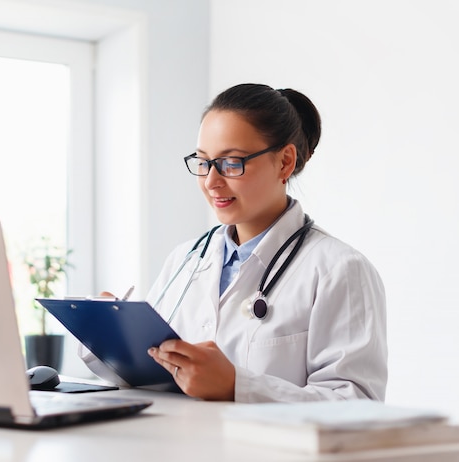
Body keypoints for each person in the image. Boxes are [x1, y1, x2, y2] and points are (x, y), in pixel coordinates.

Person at [79, 83, 387, 403]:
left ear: (284, 162)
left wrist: (238, 386)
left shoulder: (339, 270)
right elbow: (153, 376)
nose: (211, 181)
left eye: (231, 162)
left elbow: (357, 406)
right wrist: (111, 337)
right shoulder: (186, 259)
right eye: (203, 162)